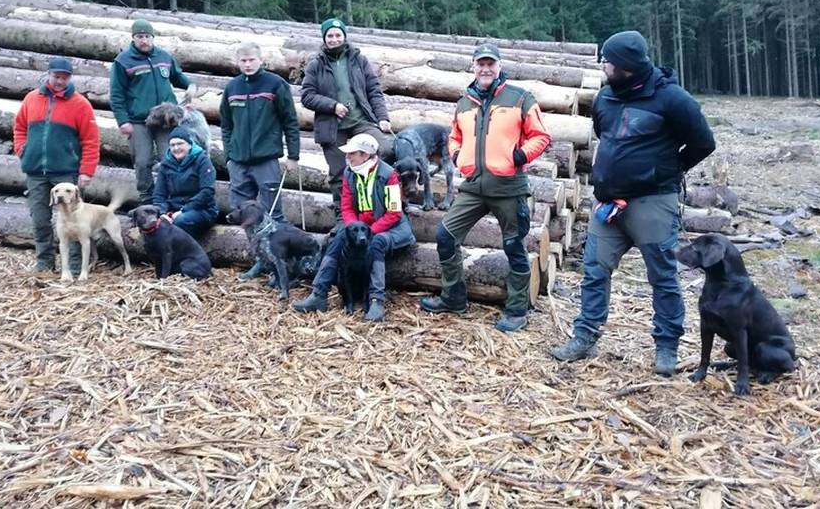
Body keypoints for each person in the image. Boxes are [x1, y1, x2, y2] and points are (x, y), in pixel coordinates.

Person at [550, 30, 715, 375]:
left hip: (653, 204)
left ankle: (666, 347)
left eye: (608, 60)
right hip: (609, 205)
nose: (603, 65)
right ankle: (584, 335)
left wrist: (668, 170)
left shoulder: (672, 99)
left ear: (625, 66)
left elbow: (703, 143)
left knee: (662, 275)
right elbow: (605, 135)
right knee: (594, 270)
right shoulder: (605, 97)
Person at [419, 43, 552, 332]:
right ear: (473, 66)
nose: (486, 68)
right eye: (481, 63)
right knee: (445, 235)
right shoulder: (465, 102)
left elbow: (541, 136)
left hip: (508, 187)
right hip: (474, 186)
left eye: (491, 64)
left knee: (514, 245)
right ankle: (453, 297)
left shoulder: (520, 98)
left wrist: (519, 156)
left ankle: (517, 310)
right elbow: (454, 136)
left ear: (499, 66)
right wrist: (457, 156)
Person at [292, 133, 415, 322]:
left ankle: (376, 301)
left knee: (376, 243)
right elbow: (347, 206)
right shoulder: (349, 172)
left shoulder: (388, 174)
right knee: (340, 236)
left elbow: (394, 213)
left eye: (352, 154)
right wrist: (351, 229)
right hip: (361, 227)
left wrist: (369, 231)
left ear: (365, 155)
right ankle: (319, 294)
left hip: (391, 228)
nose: (347, 158)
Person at [221, 42, 301, 277]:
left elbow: (290, 121)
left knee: (273, 213)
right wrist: (228, 155)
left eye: (251, 60)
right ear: (238, 62)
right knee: (243, 216)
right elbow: (226, 125)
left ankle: (284, 263)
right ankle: (261, 259)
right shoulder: (232, 87)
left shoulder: (275, 84)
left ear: (261, 59)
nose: (247, 64)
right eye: (243, 61)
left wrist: (293, 155)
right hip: (238, 162)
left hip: (266, 160)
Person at [301, 17, 394, 219]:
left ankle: (381, 205)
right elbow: (307, 96)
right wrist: (332, 106)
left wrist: (382, 117)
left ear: (344, 36)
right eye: (330, 36)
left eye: (338, 35)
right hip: (332, 127)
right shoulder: (316, 64)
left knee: (385, 150)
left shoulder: (358, 59)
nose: (334, 39)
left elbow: (374, 90)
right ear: (324, 39)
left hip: (361, 120)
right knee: (339, 172)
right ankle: (343, 216)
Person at [13, 57, 100, 273]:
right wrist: (22, 150)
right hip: (35, 171)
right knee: (40, 219)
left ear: (70, 78)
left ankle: (75, 266)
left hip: (65, 173)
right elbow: (19, 127)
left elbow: (91, 140)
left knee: (74, 221)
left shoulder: (80, 104)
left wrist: (87, 171)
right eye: (56, 76)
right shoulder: (32, 99)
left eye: (64, 77)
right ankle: (44, 262)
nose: (60, 81)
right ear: (48, 74)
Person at [110, 19, 197, 204]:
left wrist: (190, 85)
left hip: (167, 119)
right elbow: (116, 94)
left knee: (172, 156)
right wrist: (122, 121)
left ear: (152, 37)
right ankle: (147, 198)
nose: (144, 41)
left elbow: (177, 76)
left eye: (147, 36)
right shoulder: (123, 61)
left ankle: (175, 195)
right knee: (142, 161)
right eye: (139, 37)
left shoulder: (164, 56)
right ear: (133, 38)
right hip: (138, 120)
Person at [152, 125, 218, 240]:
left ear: (189, 144)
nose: (176, 148)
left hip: (202, 209)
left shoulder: (202, 160)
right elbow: (159, 195)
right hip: (174, 208)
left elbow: (207, 191)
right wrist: (162, 213)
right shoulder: (165, 165)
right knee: (157, 223)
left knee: (181, 221)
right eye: (172, 145)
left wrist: (184, 210)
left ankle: (188, 254)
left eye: (180, 144)